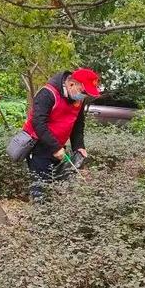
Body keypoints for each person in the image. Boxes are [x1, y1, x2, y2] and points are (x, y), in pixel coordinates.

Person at [22, 68, 100, 200]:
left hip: (58, 149)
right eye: (84, 92)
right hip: (39, 147)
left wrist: (79, 146)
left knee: (56, 190)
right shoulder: (47, 94)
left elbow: (78, 125)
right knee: (41, 190)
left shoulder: (78, 100)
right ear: (71, 84)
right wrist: (55, 147)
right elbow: (38, 123)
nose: (84, 96)